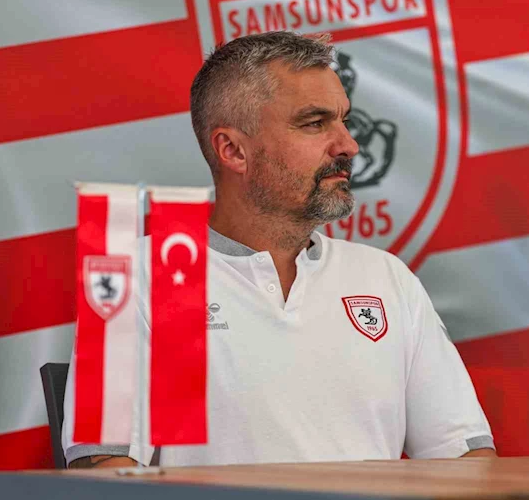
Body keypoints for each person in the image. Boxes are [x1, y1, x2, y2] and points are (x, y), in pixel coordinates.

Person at [62, 31, 495, 468]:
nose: (348, 144)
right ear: (233, 150)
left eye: (343, 120)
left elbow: (464, 457)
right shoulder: (136, 276)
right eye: (314, 123)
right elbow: (104, 471)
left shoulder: (386, 278)